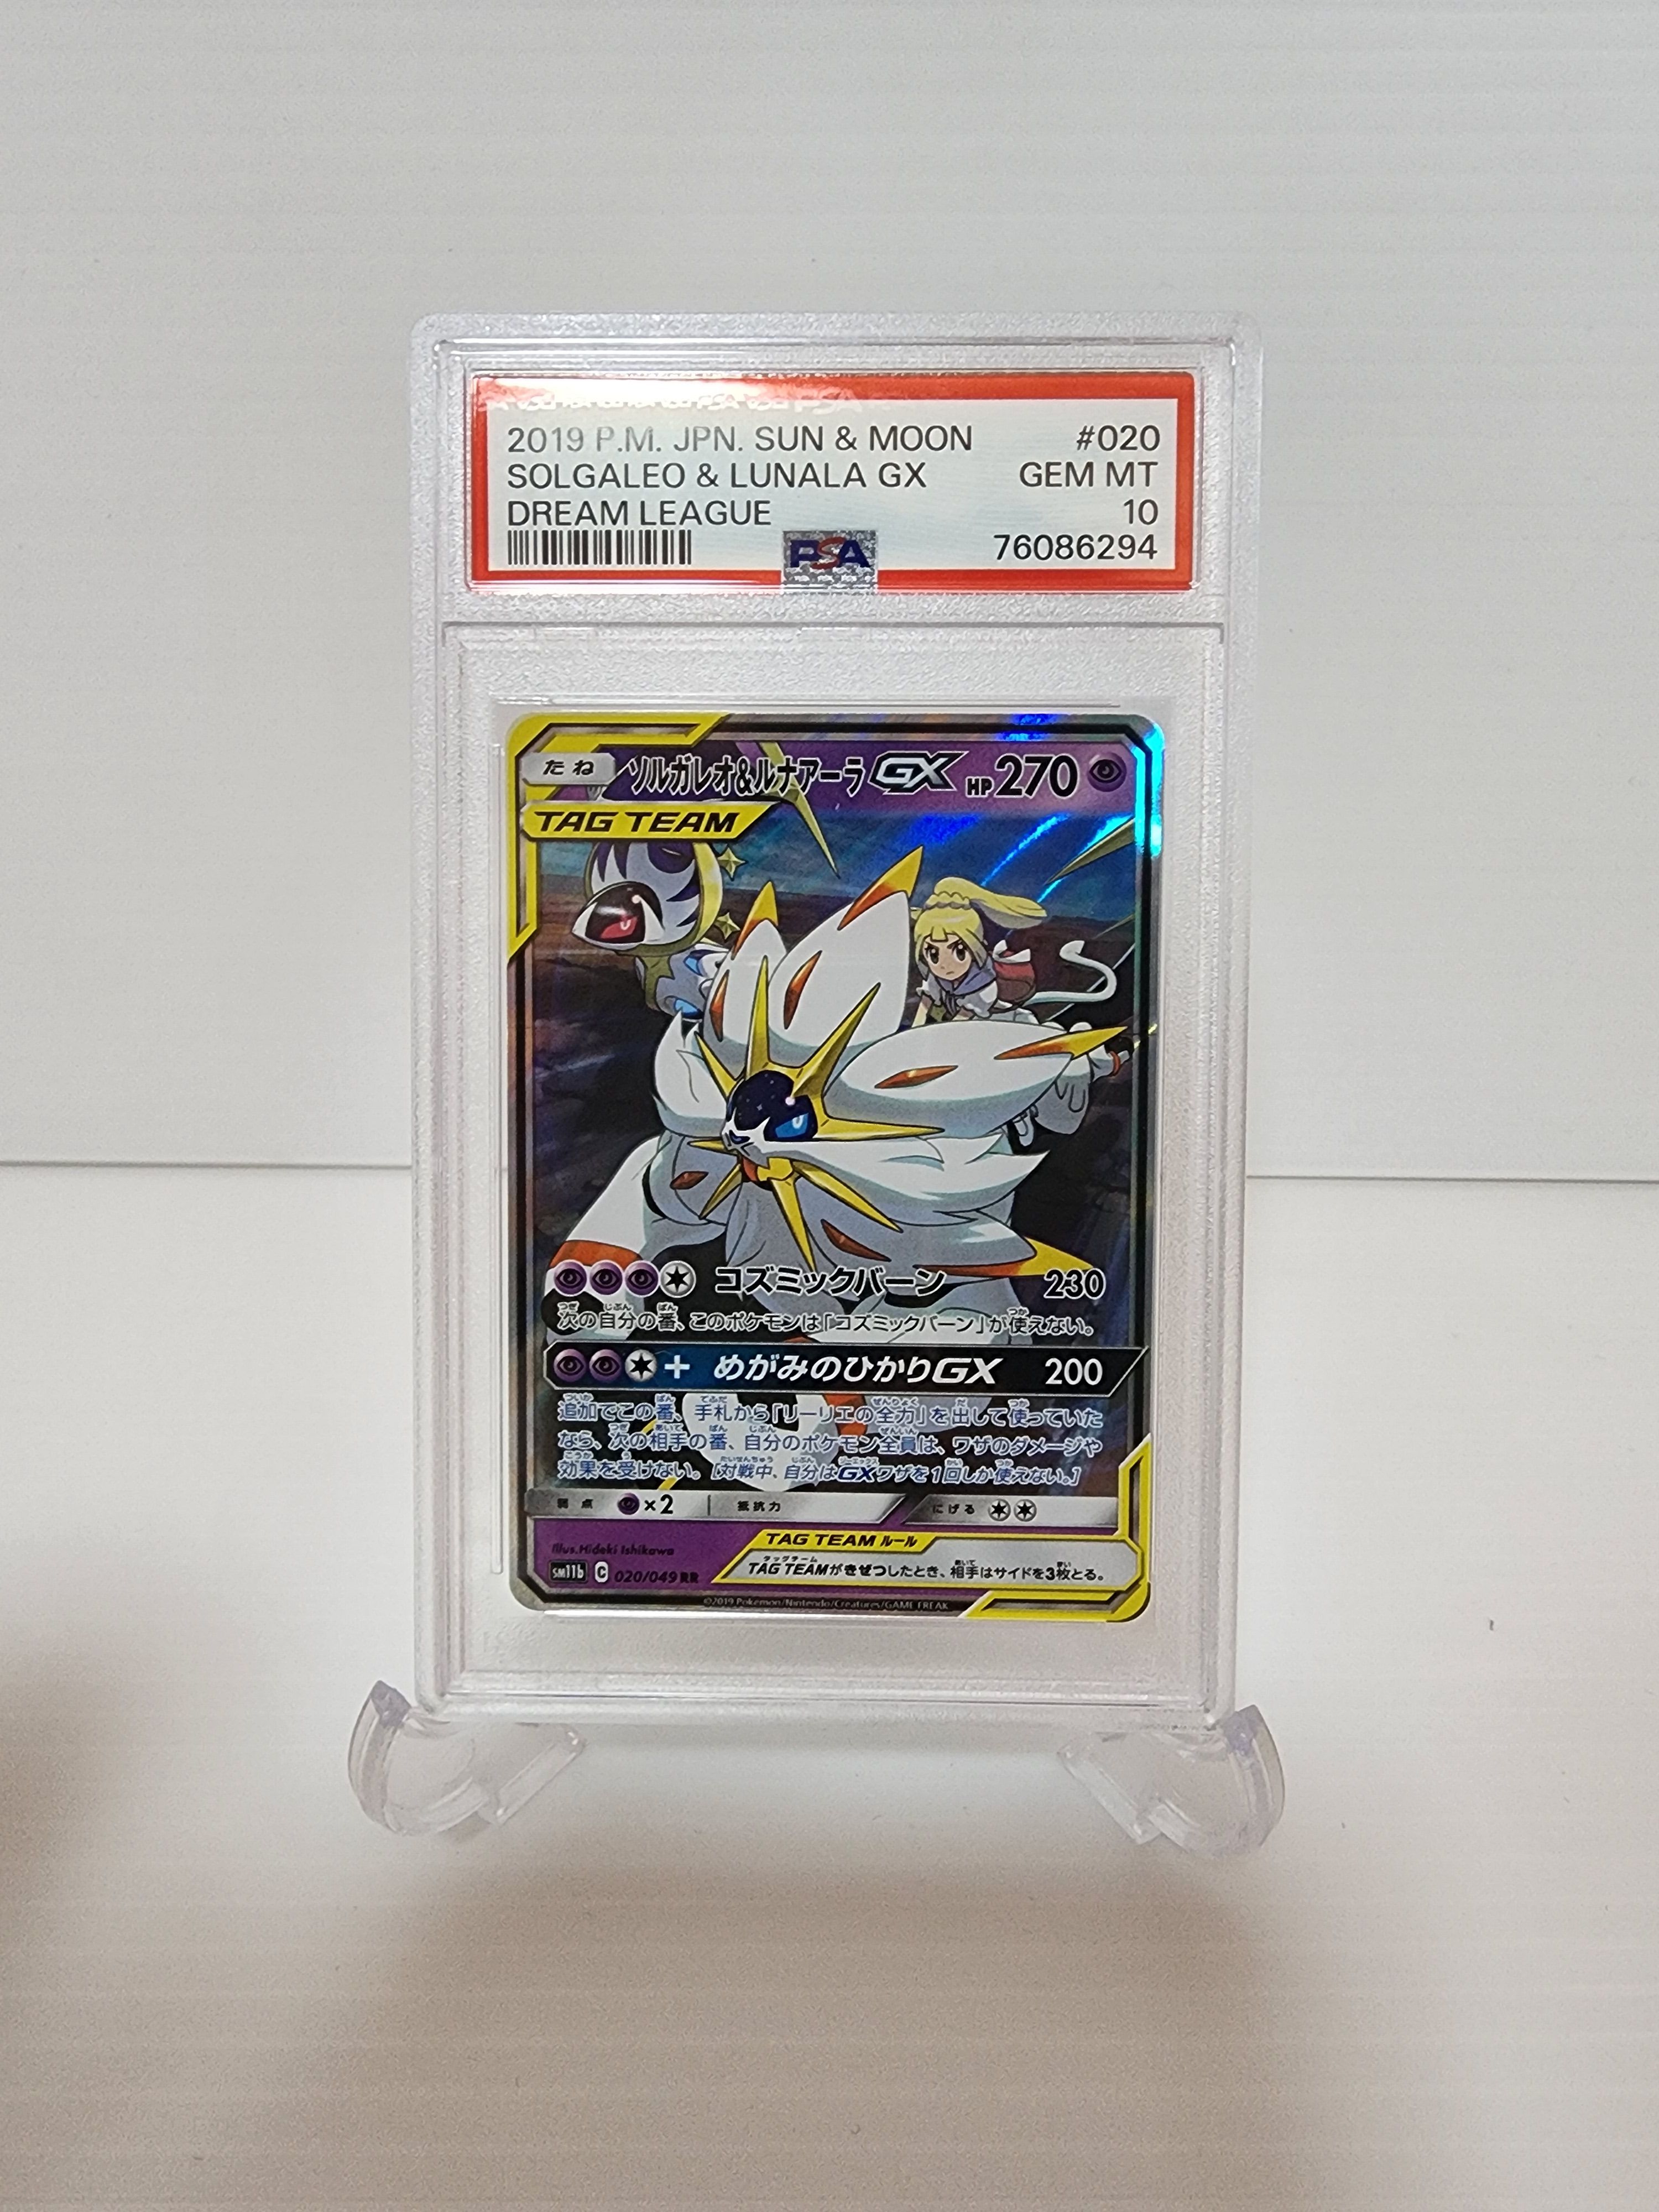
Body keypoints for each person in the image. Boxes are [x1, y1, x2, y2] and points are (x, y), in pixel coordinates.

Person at [910, 878, 1045, 1024]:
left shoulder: (983, 984)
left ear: (975, 948)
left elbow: (958, 1024)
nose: (946, 965)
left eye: (959, 952)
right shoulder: (935, 979)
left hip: (1010, 1025)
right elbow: (924, 1007)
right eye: (933, 955)